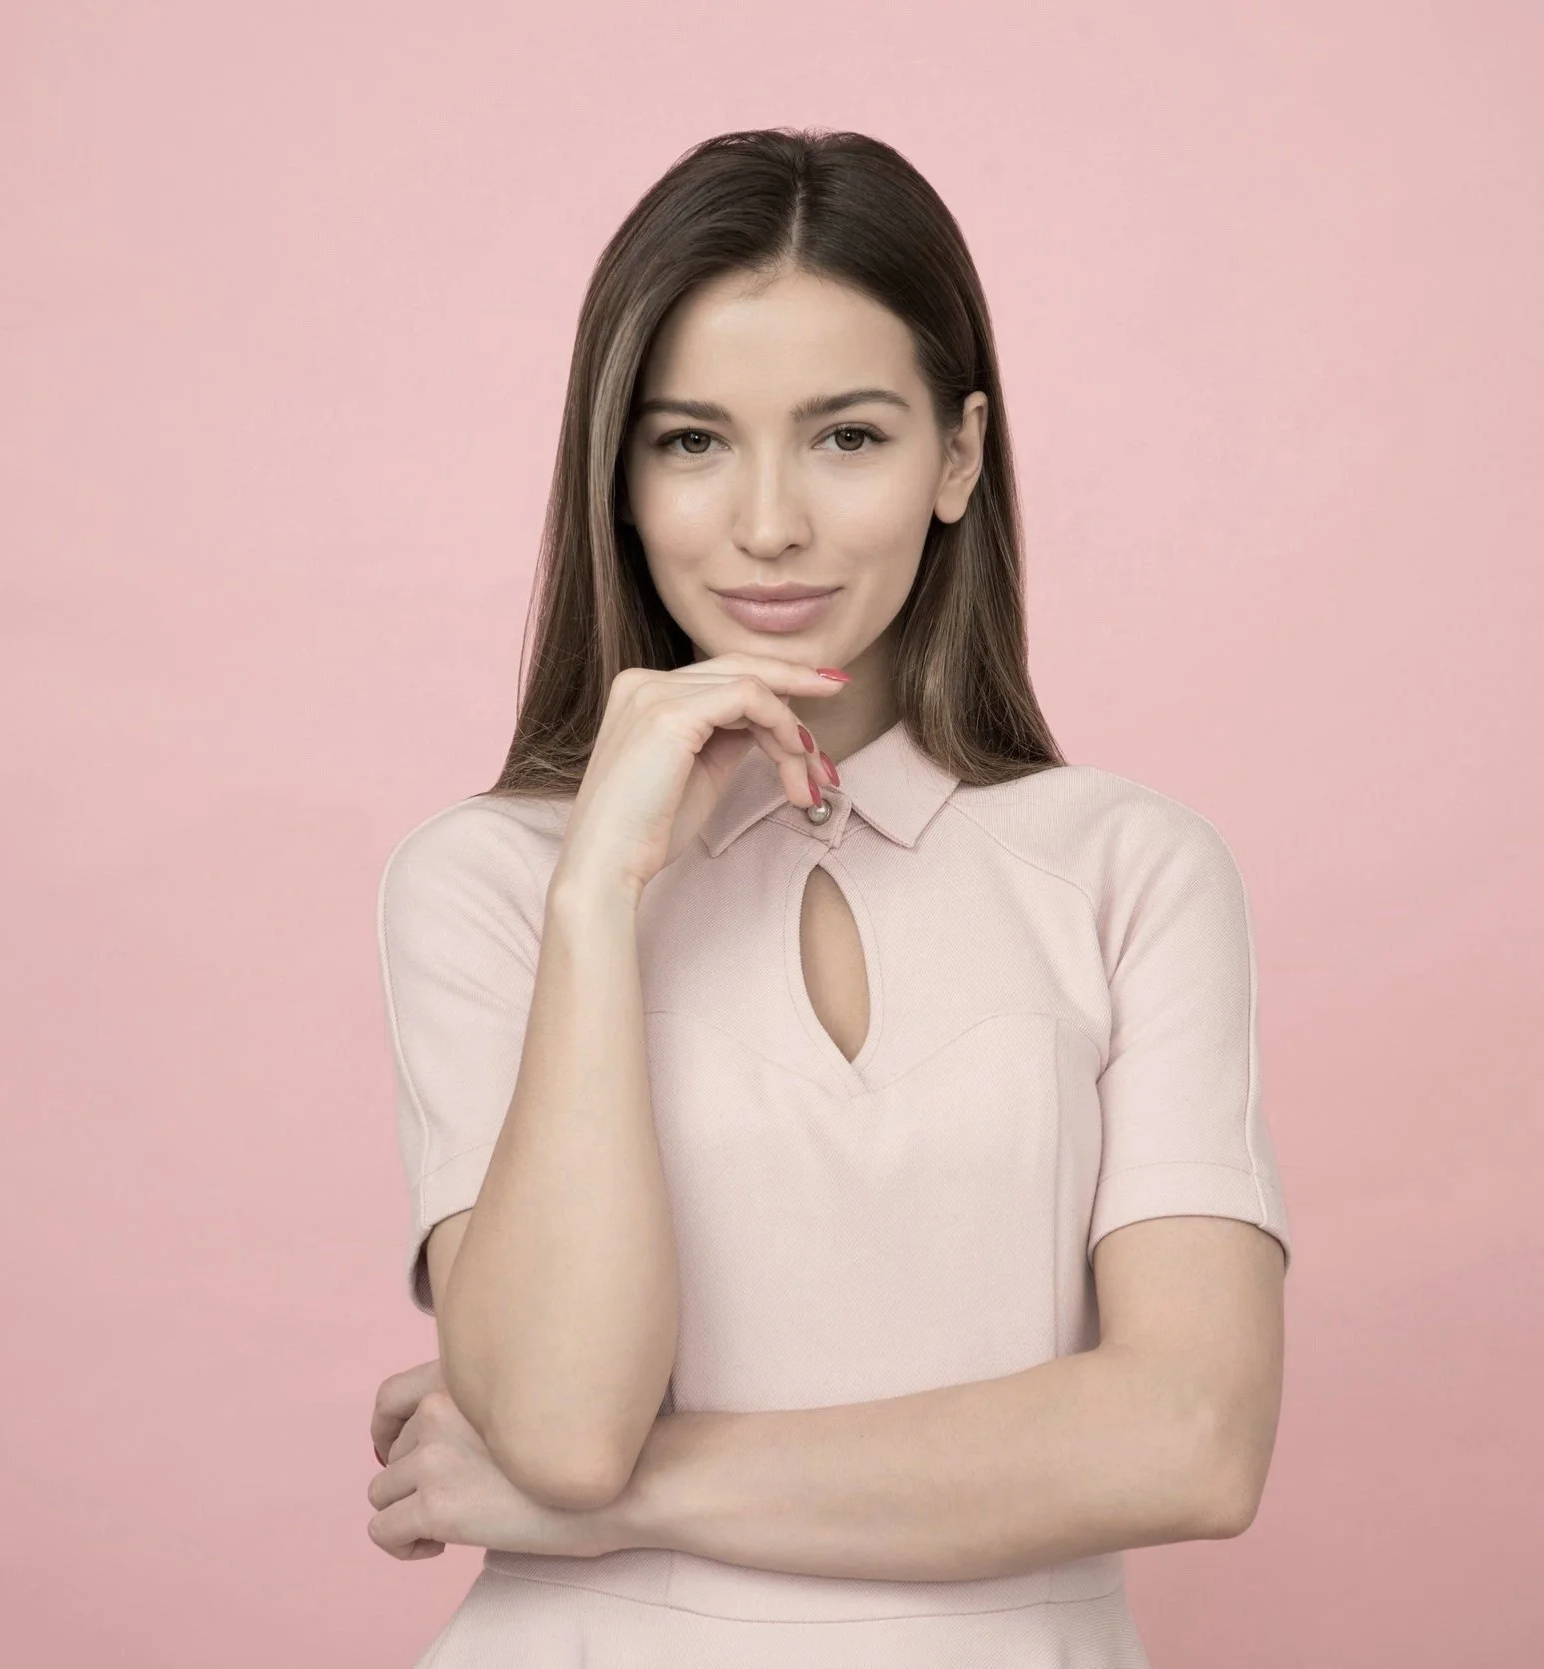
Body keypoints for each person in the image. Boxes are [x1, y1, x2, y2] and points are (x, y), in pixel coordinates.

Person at [361, 126, 1292, 1668]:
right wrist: (599, 889)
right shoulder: (489, 883)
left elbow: (1186, 1439)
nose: (770, 521)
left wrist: (612, 1506)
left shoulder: (1128, 867)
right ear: (618, 473)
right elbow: (563, 1423)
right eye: (691, 441)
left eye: (847, 436)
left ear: (960, 457)